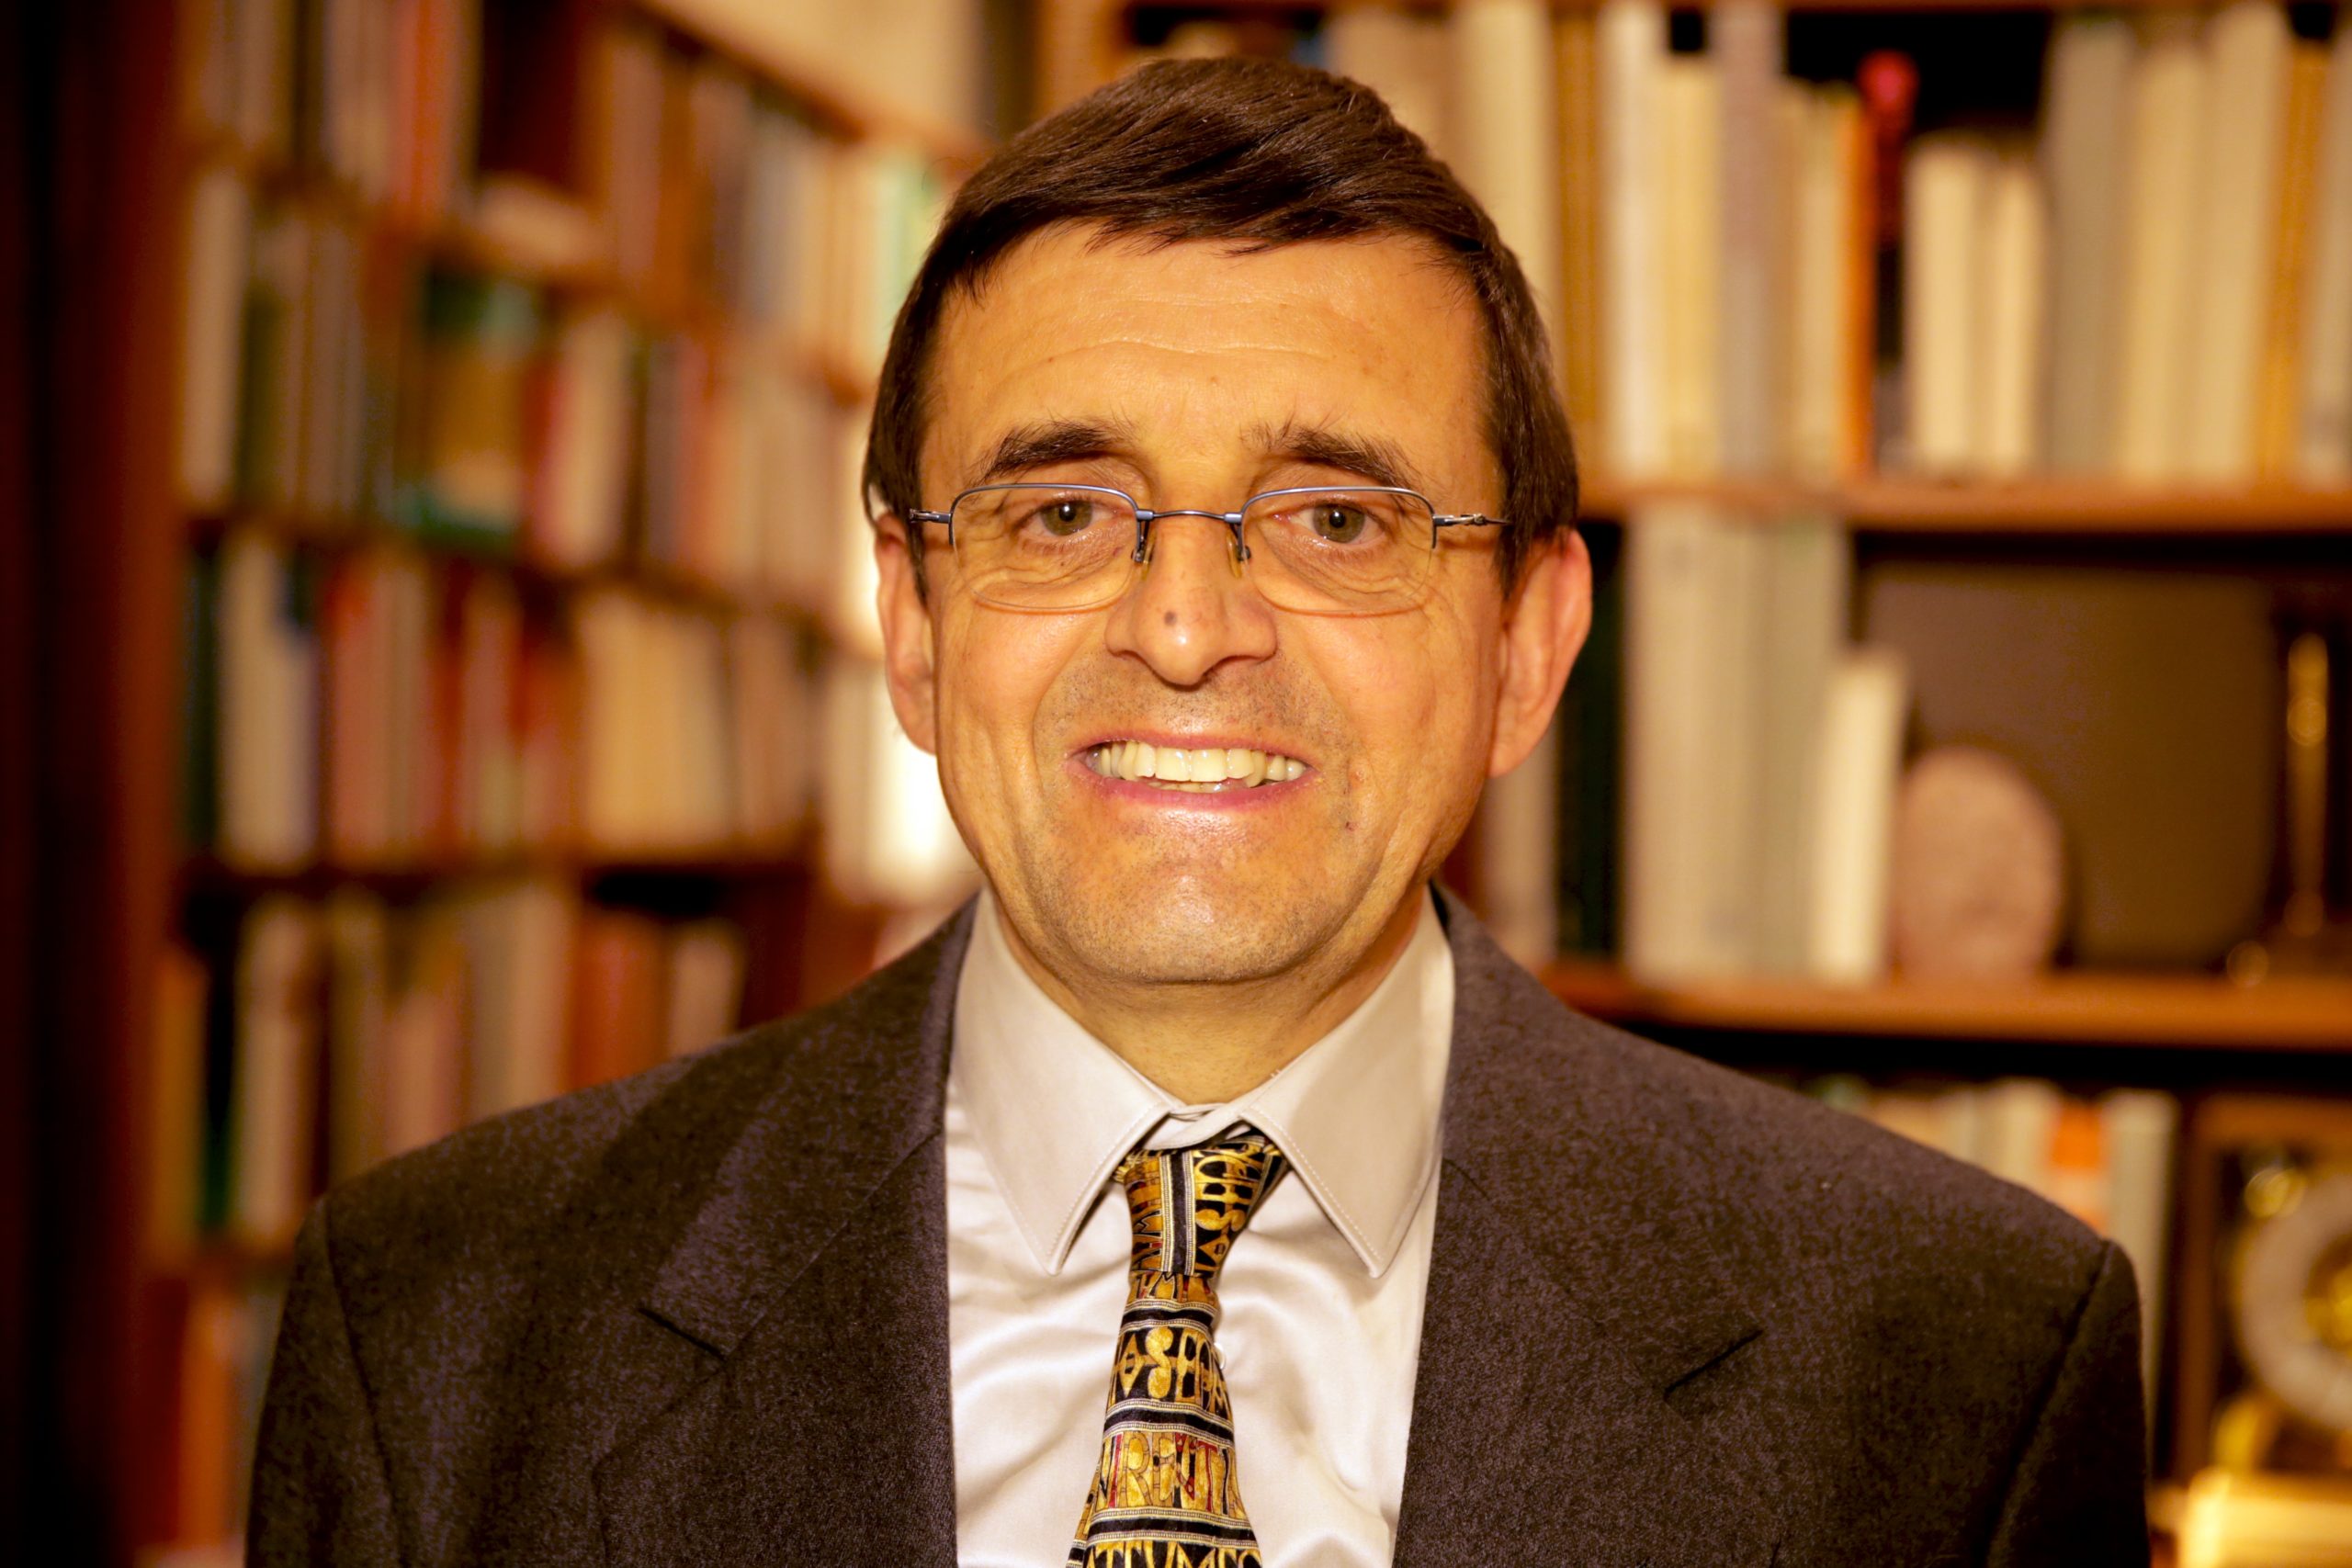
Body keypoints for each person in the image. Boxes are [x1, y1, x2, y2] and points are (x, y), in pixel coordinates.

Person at [250, 58, 2148, 1568]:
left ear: (1524, 646)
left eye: (1335, 520)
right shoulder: (439, 1333)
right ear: (913, 625)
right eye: (1063, 512)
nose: (1182, 627)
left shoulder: (1955, 1364)